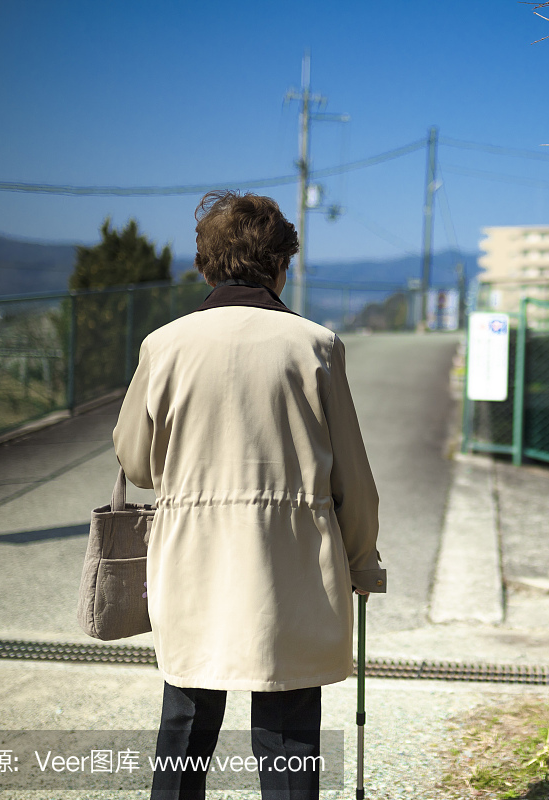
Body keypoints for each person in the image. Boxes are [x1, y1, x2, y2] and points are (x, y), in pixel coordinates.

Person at [113, 190, 386, 800]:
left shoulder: (164, 346)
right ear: (281, 264)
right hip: (290, 565)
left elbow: (135, 463)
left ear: (206, 265)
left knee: (185, 727)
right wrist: (362, 562)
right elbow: (355, 482)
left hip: (192, 560)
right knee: (288, 737)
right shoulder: (316, 346)